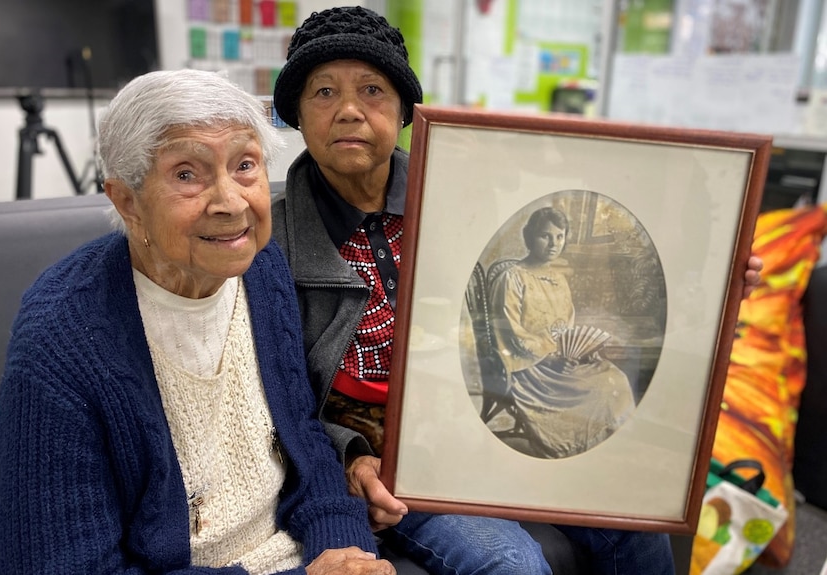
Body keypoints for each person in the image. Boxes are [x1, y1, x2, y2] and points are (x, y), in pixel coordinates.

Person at [270, 6, 764, 574]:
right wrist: (351, 457)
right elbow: (273, 399)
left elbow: (573, 290)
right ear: (297, 115)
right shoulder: (270, 237)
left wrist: (718, 289)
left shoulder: (465, 196)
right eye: (324, 92)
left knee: (638, 527)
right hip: (391, 462)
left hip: (488, 424)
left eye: (373, 90)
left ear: (404, 110)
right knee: (512, 565)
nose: (350, 110)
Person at [0, 69, 393, 575]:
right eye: (187, 174)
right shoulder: (62, 335)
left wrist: (341, 545)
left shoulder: (262, 268)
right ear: (127, 202)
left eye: (245, 165)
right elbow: (64, 565)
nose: (231, 203)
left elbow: (302, 441)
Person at [489, 206, 636, 459]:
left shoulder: (560, 280)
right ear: (529, 237)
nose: (553, 244)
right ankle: (578, 449)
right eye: (545, 236)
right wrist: (551, 355)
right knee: (599, 388)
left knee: (614, 376)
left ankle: (609, 451)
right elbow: (511, 332)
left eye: (559, 236)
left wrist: (580, 352)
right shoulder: (512, 278)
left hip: (561, 359)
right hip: (531, 368)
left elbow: (568, 329)